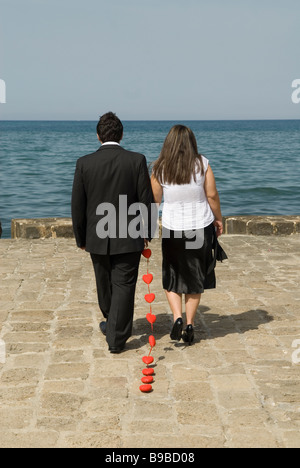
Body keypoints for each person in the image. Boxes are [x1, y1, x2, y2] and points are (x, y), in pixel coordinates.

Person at [72, 112, 153, 354]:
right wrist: (147, 230)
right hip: (130, 233)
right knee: (124, 284)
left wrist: (80, 238)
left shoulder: (84, 163)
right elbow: (146, 200)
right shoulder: (137, 160)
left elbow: (77, 204)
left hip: (96, 234)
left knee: (104, 283)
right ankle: (114, 325)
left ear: (98, 136)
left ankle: (115, 336)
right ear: (121, 134)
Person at [151, 125, 224, 345]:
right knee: (194, 278)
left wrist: (146, 228)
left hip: (173, 228)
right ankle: (190, 323)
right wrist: (218, 218)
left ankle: (177, 318)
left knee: (171, 276)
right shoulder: (202, 164)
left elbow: (154, 201)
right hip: (199, 227)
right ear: (192, 141)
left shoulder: (160, 167)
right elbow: (211, 196)